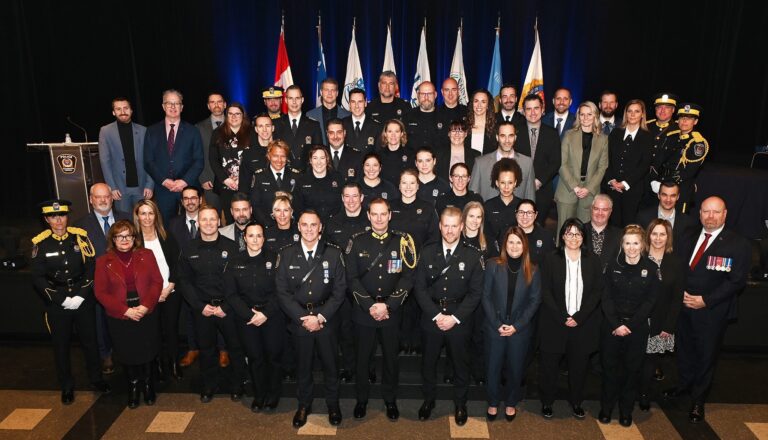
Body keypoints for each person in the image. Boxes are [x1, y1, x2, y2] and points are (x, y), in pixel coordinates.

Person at [663, 197, 751, 423]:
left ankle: (698, 400)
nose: (710, 216)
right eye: (706, 212)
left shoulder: (737, 243)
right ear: (700, 213)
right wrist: (678, 292)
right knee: (683, 349)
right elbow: (676, 266)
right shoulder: (687, 235)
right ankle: (684, 385)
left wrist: (706, 300)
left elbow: (736, 281)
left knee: (705, 355)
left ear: (725, 214)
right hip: (683, 306)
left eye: (716, 212)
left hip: (712, 311)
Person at [30, 199, 110, 404]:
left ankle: (96, 379)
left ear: (67, 217)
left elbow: (91, 267)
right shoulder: (40, 243)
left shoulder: (80, 237)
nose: (59, 220)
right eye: (53, 216)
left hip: (83, 299)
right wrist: (60, 299)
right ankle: (66, 386)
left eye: (62, 215)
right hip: (58, 303)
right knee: (61, 346)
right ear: (47, 219)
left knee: (90, 342)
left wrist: (82, 294)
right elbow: (37, 277)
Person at [347, 198, 417, 421]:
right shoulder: (357, 241)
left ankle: (390, 399)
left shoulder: (402, 242)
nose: (379, 219)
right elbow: (352, 278)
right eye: (374, 214)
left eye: (383, 214)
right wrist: (370, 305)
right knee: (362, 359)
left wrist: (389, 305)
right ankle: (361, 399)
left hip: (391, 311)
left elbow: (408, 277)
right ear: (368, 216)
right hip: (364, 312)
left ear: (390, 215)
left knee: (391, 360)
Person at [414, 207, 484, 426]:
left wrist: (454, 318)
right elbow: (419, 289)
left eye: (454, 226)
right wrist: (436, 315)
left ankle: (461, 404)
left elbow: (475, 293)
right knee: (428, 364)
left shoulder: (473, 255)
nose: (450, 230)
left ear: (461, 227)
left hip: (459, 319)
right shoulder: (427, 252)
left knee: (461, 365)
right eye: (446, 225)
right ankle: (428, 400)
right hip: (431, 317)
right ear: (440, 226)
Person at [276, 210, 347, 428]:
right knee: (303, 367)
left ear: (320, 227)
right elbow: (282, 292)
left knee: (331, 366)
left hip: (326, 320)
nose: (309, 229)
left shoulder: (333, 253)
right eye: (304, 225)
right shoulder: (286, 254)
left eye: (313, 225)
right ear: (298, 227)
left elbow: (340, 291)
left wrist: (321, 317)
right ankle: (304, 405)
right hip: (300, 322)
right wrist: (303, 318)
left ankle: (333, 405)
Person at [177, 206, 246, 403]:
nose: (208, 223)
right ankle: (209, 384)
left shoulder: (232, 247)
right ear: (198, 223)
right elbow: (184, 281)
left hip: (227, 308)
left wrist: (226, 306)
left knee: (235, 348)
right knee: (206, 349)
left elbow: (239, 281)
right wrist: (200, 306)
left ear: (219, 222)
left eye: (212, 219)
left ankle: (238, 384)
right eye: (204, 219)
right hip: (202, 309)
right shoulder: (189, 248)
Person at [539, 218, 603, 420]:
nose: (573, 238)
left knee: (579, 368)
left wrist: (579, 317)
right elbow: (545, 291)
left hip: (582, 324)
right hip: (554, 322)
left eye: (578, 233)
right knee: (550, 367)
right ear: (562, 236)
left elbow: (597, 292)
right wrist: (562, 317)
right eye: (569, 233)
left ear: (583, 237)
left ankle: (576, 402)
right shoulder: (550, 258)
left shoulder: (593, 260)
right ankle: (547, 402)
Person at [94, 220, 162, 409]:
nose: (124, 240)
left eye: (128, 236)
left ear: (134, 238)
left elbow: (157, 282)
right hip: (120, 314)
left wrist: (146, 306)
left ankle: (147, 384)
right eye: (119, 236)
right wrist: (125, 310)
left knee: (147, 349)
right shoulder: (103, 261)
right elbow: (100, 292)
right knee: (127, 352)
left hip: (145, 311)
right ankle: (133, 385)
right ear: (113, 239)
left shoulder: (146, 255)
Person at [599, 224, 659, 427]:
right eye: (627, 243)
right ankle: (606, 408)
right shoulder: (611, 265)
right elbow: (605, 297)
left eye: (635, 243)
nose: (631, 248)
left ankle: (626, 411)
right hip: (612, 327)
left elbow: (650, 301)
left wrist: (630, 325)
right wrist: (617, 324)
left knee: (632, 372)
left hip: (637, 328)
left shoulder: (651, 269)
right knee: (609, 371)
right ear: (622, 245)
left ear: (642, 245)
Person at [223, 221, 284, 412]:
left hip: (272, 316)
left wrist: (265, 314)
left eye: (259, 235)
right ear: (244, 238)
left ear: (264, 238)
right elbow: (231, 294)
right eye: (251, 236)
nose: (255, 240)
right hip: (247, 318)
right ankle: (259, 395)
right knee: (255, 357)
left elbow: (282, 291)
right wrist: (250, 315)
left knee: (273, 357)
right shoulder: (234, 261)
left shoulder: (276, 259)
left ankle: (273, 395)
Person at [484, 226, 542, 421]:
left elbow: (535, 301)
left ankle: (510, 402)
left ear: (524, 245)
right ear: (505, 244)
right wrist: (497, 324)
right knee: (492, 368)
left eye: (518, 242)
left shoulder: (533, 270)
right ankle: (493, 402)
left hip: (519, 329)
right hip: (495, 327)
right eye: (511, 242)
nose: (514, 246)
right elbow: (485, 297)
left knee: (515, 369)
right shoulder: (493, 265)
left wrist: (517, 326)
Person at [75, 183, 132, 375]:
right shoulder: (80, 226)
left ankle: (126, 352)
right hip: (97, 282)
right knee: (100, 321)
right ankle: (105, 354)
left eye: (106, 196)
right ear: (91, 200)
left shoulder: (127, 217)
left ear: (112, 198)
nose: (103, 200)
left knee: (126, 318)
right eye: (98, 197)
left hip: (126, 279)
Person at [325, 183, 371, 382]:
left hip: (365, 285)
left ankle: (368, 369)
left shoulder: (371, 220)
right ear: (342, 198)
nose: (351, 200)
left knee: (366, 332)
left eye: (355, 196)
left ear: (362, 198)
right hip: (341, 288)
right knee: (345, 330)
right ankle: (349, 368)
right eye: (347, 196)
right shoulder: (332, 223)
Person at [390, 169, 440, 354]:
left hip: (420, 264)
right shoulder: (390, 207)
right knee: (398, 303)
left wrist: (425, 261)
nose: (408, 187)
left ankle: (417, 343)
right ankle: (400, 342)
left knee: (419, 303)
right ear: (399, 185)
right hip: (396, 264)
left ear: (418, 186)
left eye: (412, 183)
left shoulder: (427, 208)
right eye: (404, 182)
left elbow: (434, 238)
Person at [638, 219, 684, 411]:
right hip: (637, 320)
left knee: (650, 362)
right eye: (654, 233)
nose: (658, 238)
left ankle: (644, 394)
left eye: (662, 234)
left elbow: (677, 298)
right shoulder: (638, 257)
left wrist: (669, 326)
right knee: (633, 359)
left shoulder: (676, 262)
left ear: (668, 237)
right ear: (648, 236)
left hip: (660, 322)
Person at [134, 199, 182, 381]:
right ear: (137, 216)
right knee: (154, 332)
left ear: (156, 215)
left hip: (170, 291)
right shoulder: (134, 241)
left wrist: (170, 286)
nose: (147, 217)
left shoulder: (166, 236)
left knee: (171, 330)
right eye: (143, 213)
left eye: (150, 213)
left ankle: (174, 363)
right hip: (147, 296)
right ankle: (159, 366)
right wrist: (152, 294)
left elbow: (177, 263)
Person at [143, 89, 204, 223]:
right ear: (163, 106)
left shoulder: (193, 131)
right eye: (169, 103)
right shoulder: (151, 131)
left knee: (193, 224)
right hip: (163, 189)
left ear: (182, 107)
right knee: (167, 227)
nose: (173, 106)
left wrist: (184, 181)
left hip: (188, 187)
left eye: (177, 103)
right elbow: (148, 161)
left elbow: (199, 161)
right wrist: (164, 181)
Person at [554, 101, 609, 232]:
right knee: (564, 230)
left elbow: (602, 167)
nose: (585, 118)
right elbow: (561, 163)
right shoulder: (569, 135)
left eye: (589, 114)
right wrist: (575, 186)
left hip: (590, 191)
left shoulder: (603, 139)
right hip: (568, 189)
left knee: (585, 231)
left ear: (595, 116)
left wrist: (588, 188)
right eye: (582, 114)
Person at [167, 186, 207, 368]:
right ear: (182, 202)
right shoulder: (173, 224)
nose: (190, 201)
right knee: (189, 313)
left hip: (208, 275)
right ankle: (192, 348)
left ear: (200, 200)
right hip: (185, 276)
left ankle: (222, 349)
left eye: (193, 198)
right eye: (186, 198)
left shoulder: (209, 218)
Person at [603, 99, 654, 226]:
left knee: (629, 226)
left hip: (633, 190)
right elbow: (607, 159)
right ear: (625, 113)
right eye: (629, 111)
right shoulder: (615, 133)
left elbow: (644, 165)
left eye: (637, 111)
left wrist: (625, 183)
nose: (632, 114)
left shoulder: (647, 137)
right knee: (612, 225)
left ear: (642, 114)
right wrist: (611, 180)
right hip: (612, 188)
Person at [98, 97, 153, 213]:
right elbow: (104, 162)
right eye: (118, 109)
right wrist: (112, 187)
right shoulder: (106, 131)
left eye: (126, 108)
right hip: (119, 189)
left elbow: (150, 160)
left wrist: (149, 185)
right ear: (113, 112)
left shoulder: (144, 131)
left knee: (143, 219)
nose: (123, 112)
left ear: (131, 111)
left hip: (141, 188)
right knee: (123, 221)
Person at [651, 104, 709, 213]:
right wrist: (655, 179)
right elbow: (659, 160)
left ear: (695, 122)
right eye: (682, 118)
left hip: (680, 188)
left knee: (678, 220)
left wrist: (666, 184)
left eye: (689, 118)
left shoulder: (698, 143)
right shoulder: (671, 136)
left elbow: (689, 171)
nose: (684, 121)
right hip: (661, 184)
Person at [515, 94, 562, 223]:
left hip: (542, 190)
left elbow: (556, 162)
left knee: (538, 226)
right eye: (529, 109)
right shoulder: (515, 131)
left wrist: (539, 181)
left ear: (542, 109)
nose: (533, 112)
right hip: (518, 188)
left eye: (536, 108)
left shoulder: (552, 133)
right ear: (523, 112)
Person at [210, 102, 256, 223]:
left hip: (247, 185)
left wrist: (243, 179)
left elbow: (256, 159)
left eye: (237, 114)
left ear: (243, 116)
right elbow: (213, 159)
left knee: (248, 219)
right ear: (226, 116)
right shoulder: (217, 133)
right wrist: (226, 179)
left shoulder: (252, 133)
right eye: (230, 114)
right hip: (226, 185)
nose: (234, 117)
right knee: (230, 219)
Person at [469, 121, 536, 202]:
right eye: (503, 136)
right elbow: (472, 199)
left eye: (510, 136)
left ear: (515, 137)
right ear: (497, 137)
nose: (507, 140)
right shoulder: (481, 163)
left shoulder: (527, 163)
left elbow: (530, 197)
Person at [242, 140, 302, 225]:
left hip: (291, 225)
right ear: (269, 156)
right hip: (266, 225)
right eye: (275, 156)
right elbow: (255, 205)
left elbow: (300, 204)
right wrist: (268, 225)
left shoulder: (296, 176)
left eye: (283, 156)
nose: (279, 160)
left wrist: (292, 223)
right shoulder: (259, 176)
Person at [642, 93, 679, 207]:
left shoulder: (678, 129)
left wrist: (663, 181)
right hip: (642, 178)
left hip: (664, 181)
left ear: (673, 110)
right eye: (659, 107)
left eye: (667, 107)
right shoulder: (645, 126)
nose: (662, 110)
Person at [636, 181, 696, 250]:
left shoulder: (687, 222)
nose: (668, 200)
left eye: (672, 196)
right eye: (664, 195)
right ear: (658, 195)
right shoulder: (643, 217)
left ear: (678, 197)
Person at [274, 85, 322, 169]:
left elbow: (318, 153)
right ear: (286, 100)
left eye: (297, 98)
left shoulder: (314, 125)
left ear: (302, 100)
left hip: (305, 173)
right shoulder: (276, 124)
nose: (294, 102)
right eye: (291, 98)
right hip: (284, 172)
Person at [196, 92, 227, 210]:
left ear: (225, 104)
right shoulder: (199, 128)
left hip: (234, 181)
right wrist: (203, 178)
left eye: (219, 102)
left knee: (234, 215)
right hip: (210, 181)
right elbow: (197, 155)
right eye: (212, 102)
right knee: (213, 215)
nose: (216, 105)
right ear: (208, 106)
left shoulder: (236, 124)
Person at [295, 145, 343, 223]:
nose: (319, 162)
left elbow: (343, 204)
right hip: (311, 226)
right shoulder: (302, 181)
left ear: (327, 160)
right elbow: (298, 208)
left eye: (322, 158)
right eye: (315, 158)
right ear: (310, 161)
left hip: (335, 224)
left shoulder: (337, 178)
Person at [483, 159, 523, 250]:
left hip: (516, 252)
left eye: (510, 182)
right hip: (493, 253)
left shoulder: (522, 206)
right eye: (502, 183)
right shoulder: (488, 206)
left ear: (515, 183)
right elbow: (485, 235)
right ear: (497, 183)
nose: (506, 187)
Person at [404, 81, 448, 150]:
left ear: (435, 95)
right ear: (418, 95)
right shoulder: (408, 116)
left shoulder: (445, 117)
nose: (426, 97)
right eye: (423, 94)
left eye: (429, 94)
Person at [584, 194, 622, 271]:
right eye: (596, 209)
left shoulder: (620, 235)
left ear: (610, 211)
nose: (600, 213)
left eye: (604, 209)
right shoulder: (579, 231)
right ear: (591, 209)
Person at [307, 77, 351, 144]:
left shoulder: (348, 115)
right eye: (326, 90)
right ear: (321, 92)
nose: (329, 93)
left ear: (337, 93)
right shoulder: (310, 115)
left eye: (332, 90)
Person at [515, 199, 555, 266]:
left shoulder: (546, 237)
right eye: (521, 212)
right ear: (516, 214)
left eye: (529, 213)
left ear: (535, 215)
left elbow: (552, 263)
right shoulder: (507, 234)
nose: (525, 216)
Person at [343, 88, 381, 153]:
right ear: (349, 104)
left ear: (365, 103)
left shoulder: (376, 126)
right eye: (353, 102)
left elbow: (378, 153)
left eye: (360, 102)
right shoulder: (342, 124)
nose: (356, 106)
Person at [378, 119, 414, 186]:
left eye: (396, 131)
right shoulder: (378, 155)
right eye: (390, 131)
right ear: (385, 134)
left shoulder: (410, 154)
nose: (393, 135)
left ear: (401, 134)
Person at [466, 89, 497, 154]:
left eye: (483, 102)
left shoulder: (495, 128)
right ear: (472, 104)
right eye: (476, 101)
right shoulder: (464, 126)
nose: (479, 105)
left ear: (488, 105)